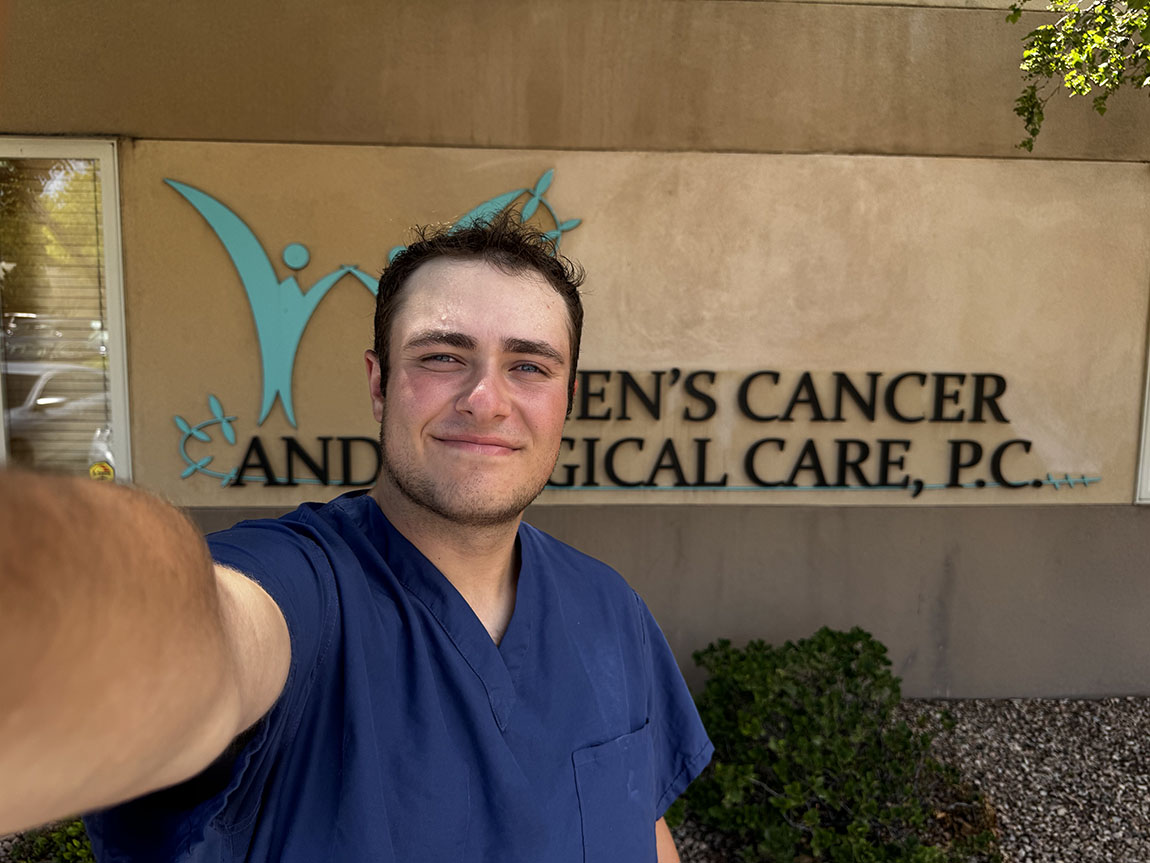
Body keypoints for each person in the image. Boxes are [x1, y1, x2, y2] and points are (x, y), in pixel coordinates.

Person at [0, 213, 713, 862]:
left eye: (528, 365)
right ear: (379, 385)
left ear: (567, 400)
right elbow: (181, 634)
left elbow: (643, 831)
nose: (485, 398)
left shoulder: (609, 608)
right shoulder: (305, 591)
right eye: (441, 356)